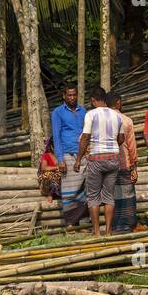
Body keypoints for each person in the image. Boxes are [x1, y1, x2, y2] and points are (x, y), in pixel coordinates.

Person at [75, 85, 124, 237]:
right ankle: (108, 231)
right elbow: (121, 138)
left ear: (93, 100)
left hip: (96, 157)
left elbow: (85, 138)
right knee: (109, 196)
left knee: (94, 196)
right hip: (113, 157)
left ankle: (97, 231)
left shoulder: (91, 115)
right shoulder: (117, 115)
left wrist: (78, 158)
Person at [51, 82, 87, 228]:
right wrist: (60, 159)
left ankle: (84, 223)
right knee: (69, 190)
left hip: (83, 154)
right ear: (64, 96)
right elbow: (56, 136)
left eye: (74, 94)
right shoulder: (58, 112)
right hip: (67, 153)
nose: (72, 97)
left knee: (85, 188)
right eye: (69, 95)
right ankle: (71, 222)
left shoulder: (83, 111)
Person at [107, 89, 139, 233]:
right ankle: (127, 223)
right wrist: (134, 167)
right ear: (119, 103)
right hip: (124, 161)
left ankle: (113, 225)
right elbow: (132, 146)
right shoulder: (126, 121)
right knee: (126, 193)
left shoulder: (101, 119)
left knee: (111, 194)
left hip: (106, 162)